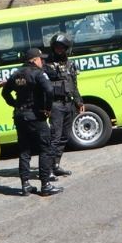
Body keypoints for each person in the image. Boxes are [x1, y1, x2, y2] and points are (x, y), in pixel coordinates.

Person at [1, 48, 60, 197]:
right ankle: (46, 185)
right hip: (35, 116)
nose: (42, 61)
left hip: (20, 116)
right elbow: (49, 90)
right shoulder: (38, 73)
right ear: (34, 60)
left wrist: (15, 104)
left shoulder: (16, 74)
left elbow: (5, 92)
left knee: (24, 151)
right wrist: (47, 109)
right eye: (40, 59)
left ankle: (25, 185)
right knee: (44, 148)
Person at [42, 32, 82, 179]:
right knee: (55, 137)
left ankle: (56, 165)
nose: (60, 50)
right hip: (55, 105)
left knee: (65, 136)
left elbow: (74, 84)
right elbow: (34, 76)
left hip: (69, 103)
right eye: (57, 47)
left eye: (62, 48)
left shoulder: (71, 64)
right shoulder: (46, 65)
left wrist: (79, 101)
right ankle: (48, 170)